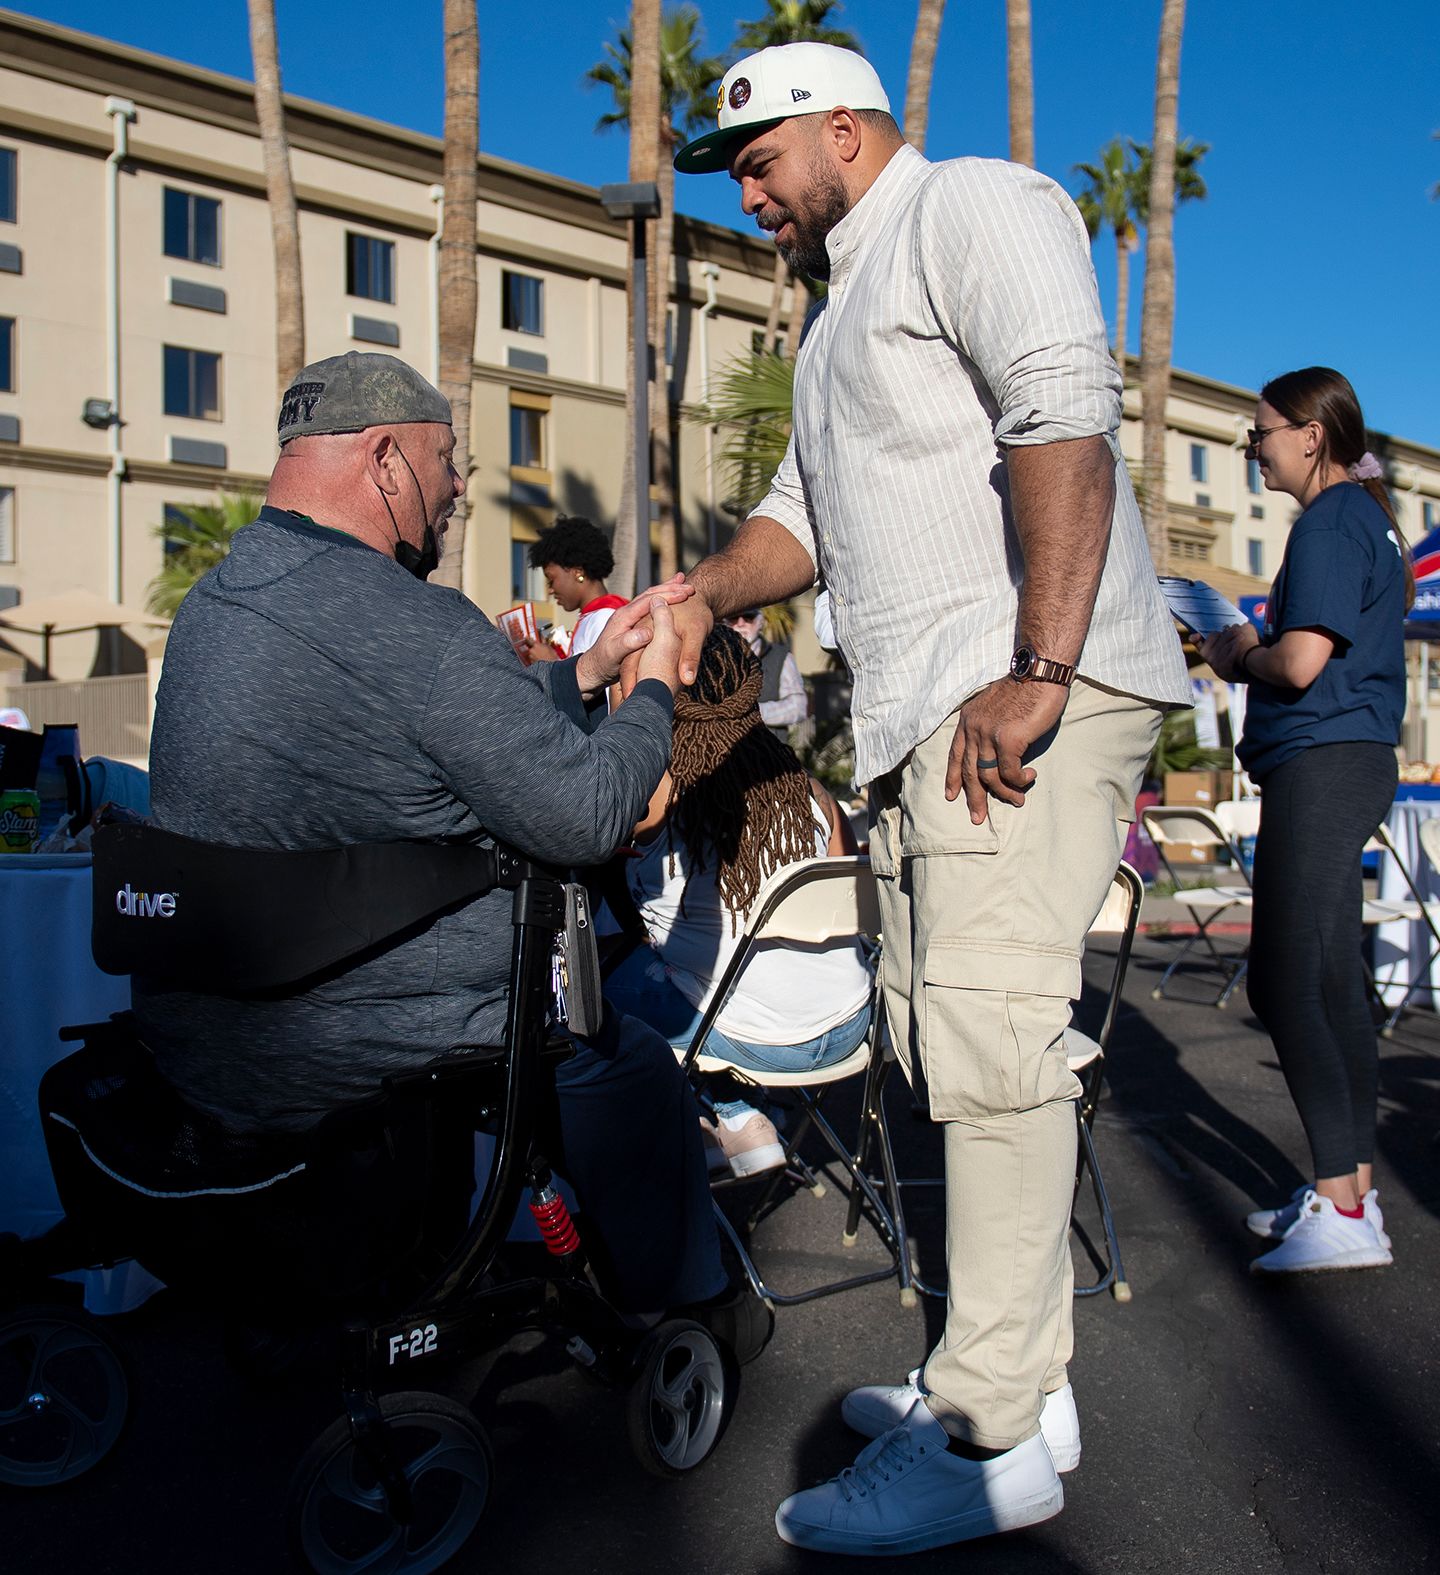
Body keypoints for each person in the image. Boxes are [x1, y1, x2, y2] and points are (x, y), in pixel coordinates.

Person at [672, 41, 1192, 1554]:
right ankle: (1027, 1377)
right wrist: (697, 596)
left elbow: (1063, 410)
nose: (752, 194)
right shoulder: (843, 313)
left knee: (989, 1039)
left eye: (763, 161)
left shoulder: (973, 203)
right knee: (939, 1041)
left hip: (1021, 688)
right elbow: (801, 519)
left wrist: (1041, 659)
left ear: (847, 128)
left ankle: (987, 1434)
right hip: (925, 715)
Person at [132, 350, 736, 1328]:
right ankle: (685, 1311)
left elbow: (406, 716)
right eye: (446, 456)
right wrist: (658, 681)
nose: (460, 484)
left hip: (205, 1036)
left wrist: (582, 677)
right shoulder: (415, 622)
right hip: (366, 1045)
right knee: (625, 1065)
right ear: (383, 460)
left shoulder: (221, 601)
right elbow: (587, 815)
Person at [1199, 367, 1407, 1276]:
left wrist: (1234, 648)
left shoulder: (1329, 521)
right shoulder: (1367, 518)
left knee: (1284, 979)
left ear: (1311, 435)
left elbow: (1300, 662)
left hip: (1322, 758)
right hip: (1346, 757)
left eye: (1260, 434)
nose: (1254, 449)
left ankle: (1344, 1205)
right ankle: (1347, 1188)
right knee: (1328, 977)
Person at [603, 624, 874, 1176]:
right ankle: (734, 1120)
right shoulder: (804, 786)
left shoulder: (651, 795)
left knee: (594, 977)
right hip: (849, 1024)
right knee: (699, 968)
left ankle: (722, 1112)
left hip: (761, 1043)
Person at [522, 515, 627, 661]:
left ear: (578, 572)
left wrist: (551, 662)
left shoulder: (605, 618)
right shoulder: (594, 615)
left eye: (551, 580)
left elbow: (603, 681)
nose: (550, 590)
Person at [722, 607, 808, 738]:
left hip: (769, 752)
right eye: (733, 617)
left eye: (748, 617)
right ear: (726, 623)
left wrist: (755, 713)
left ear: (760, 622)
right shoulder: (713, 657)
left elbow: (798, 707)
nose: (740, 623)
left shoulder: (780, 657)